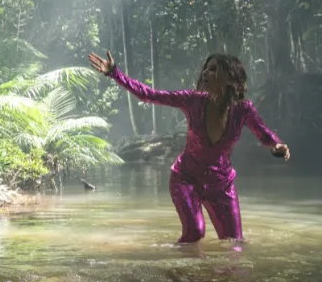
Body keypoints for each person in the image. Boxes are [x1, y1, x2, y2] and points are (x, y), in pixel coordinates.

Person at [88, 50, 290, 243]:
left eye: (212, 69)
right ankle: (181, 272)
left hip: (221, 185)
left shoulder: (243, 109)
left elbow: (263, 132)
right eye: (206, 68)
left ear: (229, 77)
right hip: (185, 179)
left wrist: (277, 144)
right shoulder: (192, 100)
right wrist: (115, 74)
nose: (205, 73)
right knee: (195, 233)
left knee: (234, 243)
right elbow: (149, 95)